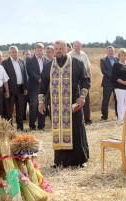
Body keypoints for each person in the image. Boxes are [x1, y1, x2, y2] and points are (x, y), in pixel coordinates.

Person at [38, 40, 90, 168]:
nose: (58, 51)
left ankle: (80, 160)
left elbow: (85, 80)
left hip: (73, 105)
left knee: (76, 131)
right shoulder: (49, 66)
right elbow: (43, 86)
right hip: (56, 106)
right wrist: (41, 103)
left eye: (61, 48)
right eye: (56, 49)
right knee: (58, 132)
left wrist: (82, 97)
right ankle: (59, 161)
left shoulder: (76, 63)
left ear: (67, 49)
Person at [2, 46, 28, 131]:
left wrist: (25, 87)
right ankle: (9, 128)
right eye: (13, 52)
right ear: (9, 53)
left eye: (16, 52)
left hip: (20, 88)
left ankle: (20, 127)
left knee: (20, 108)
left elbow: (24, 75)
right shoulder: (5, 63)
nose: (15, 53)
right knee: (9, 109)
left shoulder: (21, 61)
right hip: (10, 89)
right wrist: (6, 91)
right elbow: (4, 78)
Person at [27, 43, 50, 130]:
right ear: (35, 50)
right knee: (33, 106)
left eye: (41, 50)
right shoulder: (29, 59)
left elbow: (48, 72)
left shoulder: (47, 60)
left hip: (44, 88)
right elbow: (30, 71)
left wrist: (44, 81)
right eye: (38, 50)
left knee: (43, 105)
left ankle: (41, 125)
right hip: (34, 87)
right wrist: (38, 79)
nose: (39, 52)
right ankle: (32, 125)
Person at [69, 40, 93, 125]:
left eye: (78, 46)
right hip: (75, 81)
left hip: (84, 80)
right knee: (75, 100)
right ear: (73, 46)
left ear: (81, 47)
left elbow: (88, 69)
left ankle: (87, 119)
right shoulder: (69, 56)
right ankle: (77, 120)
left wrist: (89, 81)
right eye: (75, 46)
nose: (76, 47)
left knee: (85, 99)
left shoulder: (84, 55)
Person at [112, 48, 126, 124]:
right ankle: (121, 120)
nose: (123, 57)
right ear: (119, 56)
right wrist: (124, 82)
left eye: (125, 55)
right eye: (122, 55)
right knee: (121, 103)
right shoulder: (116, 65)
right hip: (119, 87)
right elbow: (114, 77)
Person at [100, 46, 119, 120]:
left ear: (114, 51)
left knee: (117, 100)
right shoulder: (103, 60)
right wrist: (114, 77)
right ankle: (104, 116)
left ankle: (118, 115)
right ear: (107, 52)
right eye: (109, 51)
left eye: (112, 51)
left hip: (117, 83)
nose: (111, 52)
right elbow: (104, 71)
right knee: (106, 100)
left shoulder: (118, 59)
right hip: (107, 83)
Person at [22, 50, 31, 120]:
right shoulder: (20, 63)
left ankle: (32, 117)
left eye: (29, 54)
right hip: (23, 86)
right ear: (23, 56)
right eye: (26, 54)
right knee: (23, 103)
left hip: (31, 86)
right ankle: (23, 118)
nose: (28, 55)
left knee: (32, 103)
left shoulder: (32, 64)